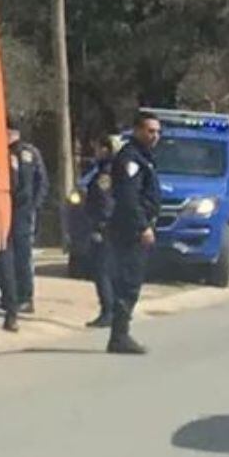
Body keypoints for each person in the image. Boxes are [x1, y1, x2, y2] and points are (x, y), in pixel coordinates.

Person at [97, 111, 163, 354]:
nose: (155, 136)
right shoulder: (130, 159)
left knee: (131, 281)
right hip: (129, 230)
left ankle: (120, 333)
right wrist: (142, 226)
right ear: (137, 130)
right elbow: (128, 197)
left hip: (136, 226)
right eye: (150, 131)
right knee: (128, 281)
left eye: (157, 131)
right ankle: (119, 336)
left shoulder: (146, 157)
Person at [6, 117, 49, 314]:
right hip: (7, 209)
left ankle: (25, 297)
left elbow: (42, 182)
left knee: (22, 255)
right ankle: (11, 295)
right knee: (7, 255)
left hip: (23, 211)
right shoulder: (3, 152)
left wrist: (34, 206)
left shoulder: (28, 153)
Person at [80, 133, 120, 328]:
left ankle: (108, 311)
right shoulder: (105, 169)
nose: (95, 153)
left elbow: (104, 201)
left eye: (97, 148)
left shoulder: (106, 173)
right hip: (108, 227)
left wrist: (99, 225)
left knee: (102, 271)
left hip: (104, 228)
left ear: (106, 149)